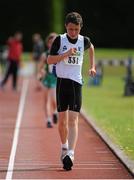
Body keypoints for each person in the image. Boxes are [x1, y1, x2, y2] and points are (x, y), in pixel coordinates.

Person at [47, 12, 96, 170]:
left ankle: (71, 153)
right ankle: (64, 147)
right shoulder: (59, 40)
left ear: (80, 27)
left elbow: (92, 48)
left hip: (76, 84)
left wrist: (92, 66)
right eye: (70, 29)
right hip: (62, 84)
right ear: (65, 27)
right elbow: (49, 60)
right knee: (62, 122)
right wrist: (65, 54)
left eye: (76, 29)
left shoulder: (84, 41)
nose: (73, 32)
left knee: (73, 120)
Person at [37, 32, 58, 128]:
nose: (52, 44)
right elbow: (40, 67)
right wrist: (41, 72)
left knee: (54, 100)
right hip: (46, 79)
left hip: (55, 79)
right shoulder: (44, 55)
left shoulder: (60, 54)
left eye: (54, 42)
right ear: (48, 43)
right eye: (50, 42)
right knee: (46, 100)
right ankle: (48, 120)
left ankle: (55, 112)